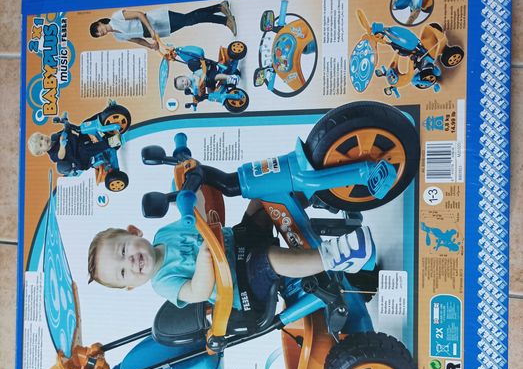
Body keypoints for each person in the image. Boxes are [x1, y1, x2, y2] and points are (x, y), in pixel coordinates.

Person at [87, 196, 375, 310]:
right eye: (123, 272)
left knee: (262, 200)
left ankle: (322, 195)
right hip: (241, 284)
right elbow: (197, 292)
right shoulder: (162, 282)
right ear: (131, 286)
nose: (130, 262)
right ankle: (337, 257)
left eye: (123, 250)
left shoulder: (164, 234)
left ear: (134, 231)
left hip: (239, 240)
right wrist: (204, 260)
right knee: (270, 259)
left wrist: (189, 195)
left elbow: (195, 217)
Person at [89, 1, 237, 50]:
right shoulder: (118, 37)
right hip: (155, 32)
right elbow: (137, 40)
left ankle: (225, 21)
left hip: (156, 20)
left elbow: (139, 14)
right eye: (99, 34)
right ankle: (219, 7)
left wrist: (150, 29)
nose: (101, 32)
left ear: (100, 23)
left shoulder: (116, 17)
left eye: (98, 29)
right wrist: (150, 46)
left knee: (189, 20)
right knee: (189, 19)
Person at [28, 129, 120, 171]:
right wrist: (62, 146)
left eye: (41, 137)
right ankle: (110, 143)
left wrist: (66, 125)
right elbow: (61, 155)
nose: (44, 140)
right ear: (42, 152)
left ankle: (105, 118)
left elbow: (67, 130)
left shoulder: (55, 137)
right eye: (41, 144)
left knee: (84, 126)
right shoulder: (53, 156)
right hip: (79, 157)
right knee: (85, 149)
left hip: (79, 141)